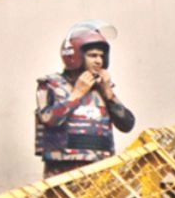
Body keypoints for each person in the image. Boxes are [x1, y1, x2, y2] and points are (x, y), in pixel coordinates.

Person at [36, 22, 135, 178]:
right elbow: (49, 119)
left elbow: (127, 125)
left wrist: (109, 94)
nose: (99, 61)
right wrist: (76, 94)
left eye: (101, 56)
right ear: (74, 56)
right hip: (63, 169)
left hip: (99, 168)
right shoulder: (52, 85)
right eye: (93, 55)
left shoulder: (101, 88)